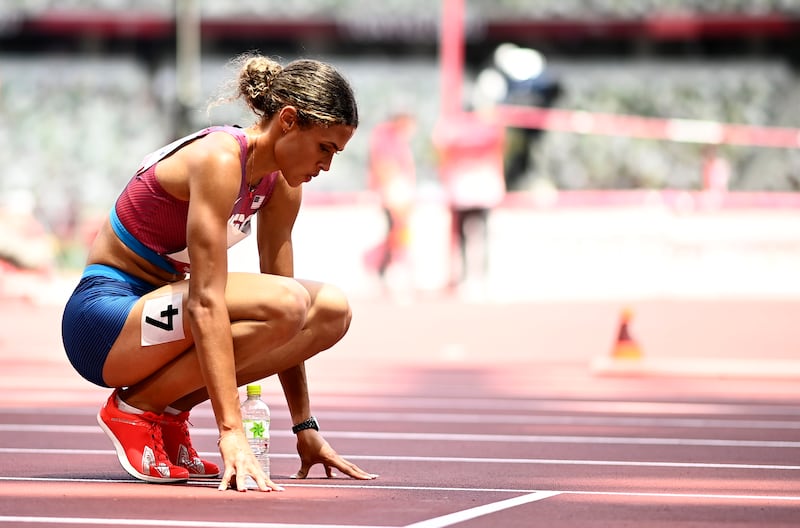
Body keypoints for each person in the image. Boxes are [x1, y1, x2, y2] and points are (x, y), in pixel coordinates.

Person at [61, 53, 377, 492]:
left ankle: (168, 415)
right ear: (287, 120)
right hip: (105, 323)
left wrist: (304, 424)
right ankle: (135, 410)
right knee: (286, 302)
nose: (327, 165)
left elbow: (290, 318)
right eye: (325, 147)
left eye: (337, 153)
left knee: (329, 311)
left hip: (163, 317)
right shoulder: (219, 160)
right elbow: (208, 300)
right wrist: (233, 432)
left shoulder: (283, 184)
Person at [366, 112, 417, 290]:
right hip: (394, 197)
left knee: (397, 234)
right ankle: (386, 268)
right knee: (396, 235)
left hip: (398, 196)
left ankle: (385, 269)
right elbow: (386, 170)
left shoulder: (397, 142)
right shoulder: (387, 142)